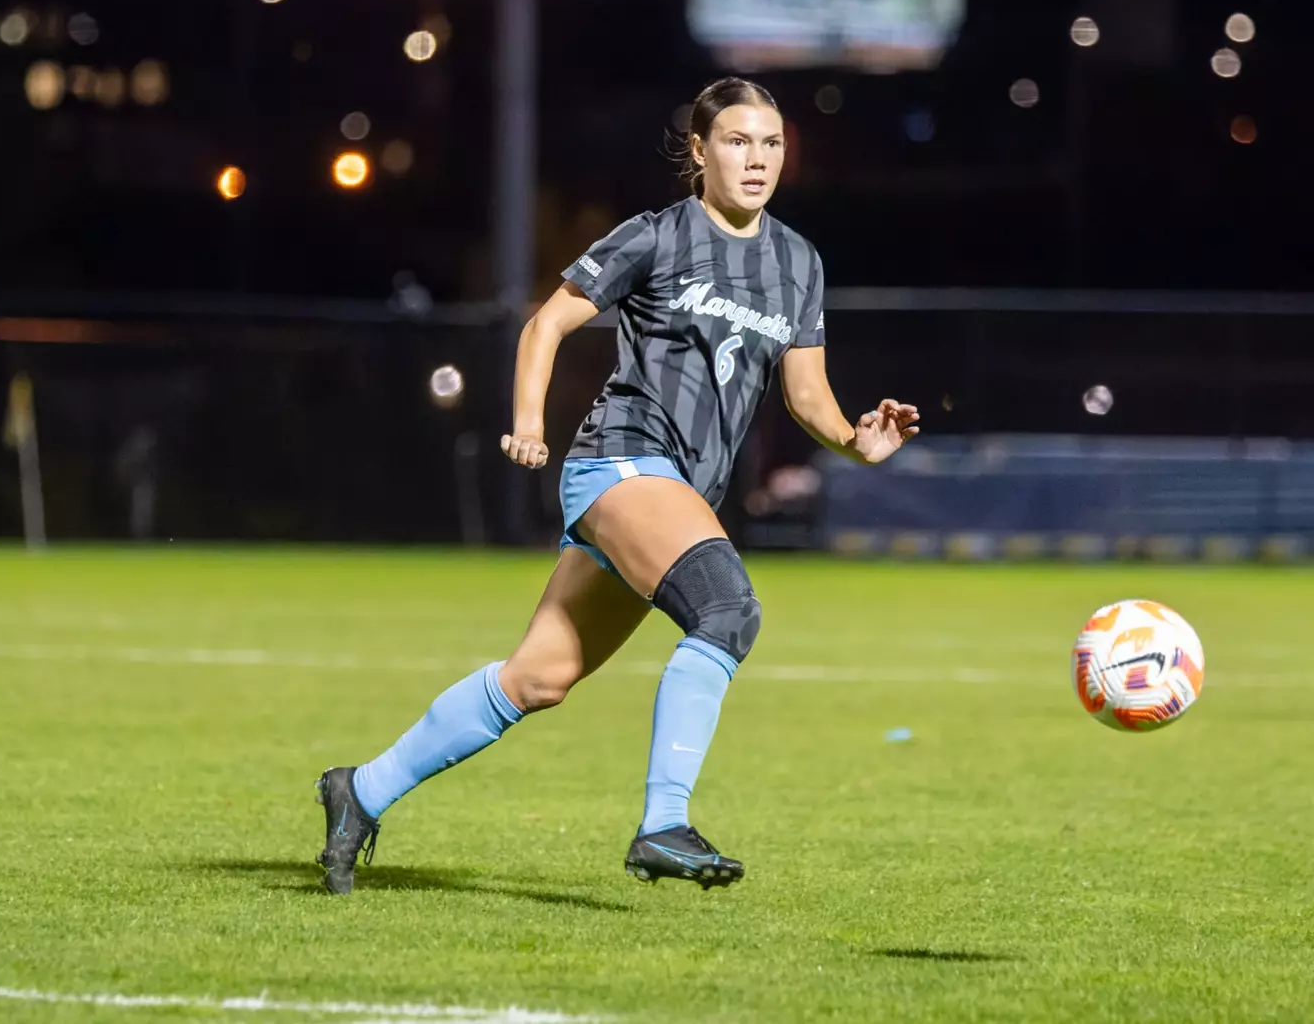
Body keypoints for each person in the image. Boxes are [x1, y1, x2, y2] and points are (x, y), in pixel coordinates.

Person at [315, 76, 920, 894]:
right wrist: (528, 423)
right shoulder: (658, 236)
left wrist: (858, 441)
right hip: (623, 461)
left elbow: (807, 396)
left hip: (676, 493)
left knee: (537, 678)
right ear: (699, 152)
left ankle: (362, 789)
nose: (757, 159)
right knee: (729, 609)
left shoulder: (797, 262)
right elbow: (546, 323)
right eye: (738, 142)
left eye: (771, 144)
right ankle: (664, 823)